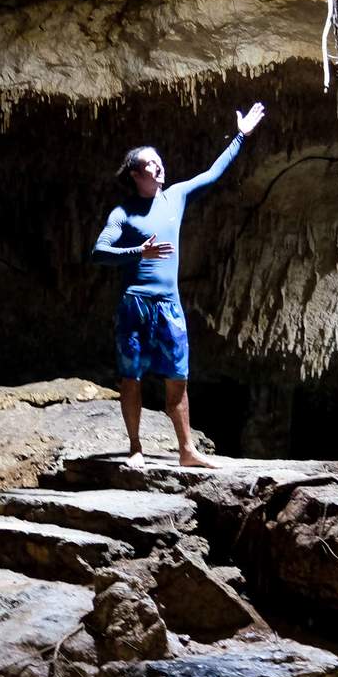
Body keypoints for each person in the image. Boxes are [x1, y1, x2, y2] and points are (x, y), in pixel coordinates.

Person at [91, 102, 266, 468]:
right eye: (152, 163)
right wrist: (141, 250)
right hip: (135, 304)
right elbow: (99, 252)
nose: (160, 166)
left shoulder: (176, 196)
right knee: (132, 376)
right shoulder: (123, 213)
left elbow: (213, 174)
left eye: (160, 161)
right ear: (137, 172)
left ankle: (187, 450)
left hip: (169, 304)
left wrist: (241, 136)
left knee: (178, 376)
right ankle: (136, 446)